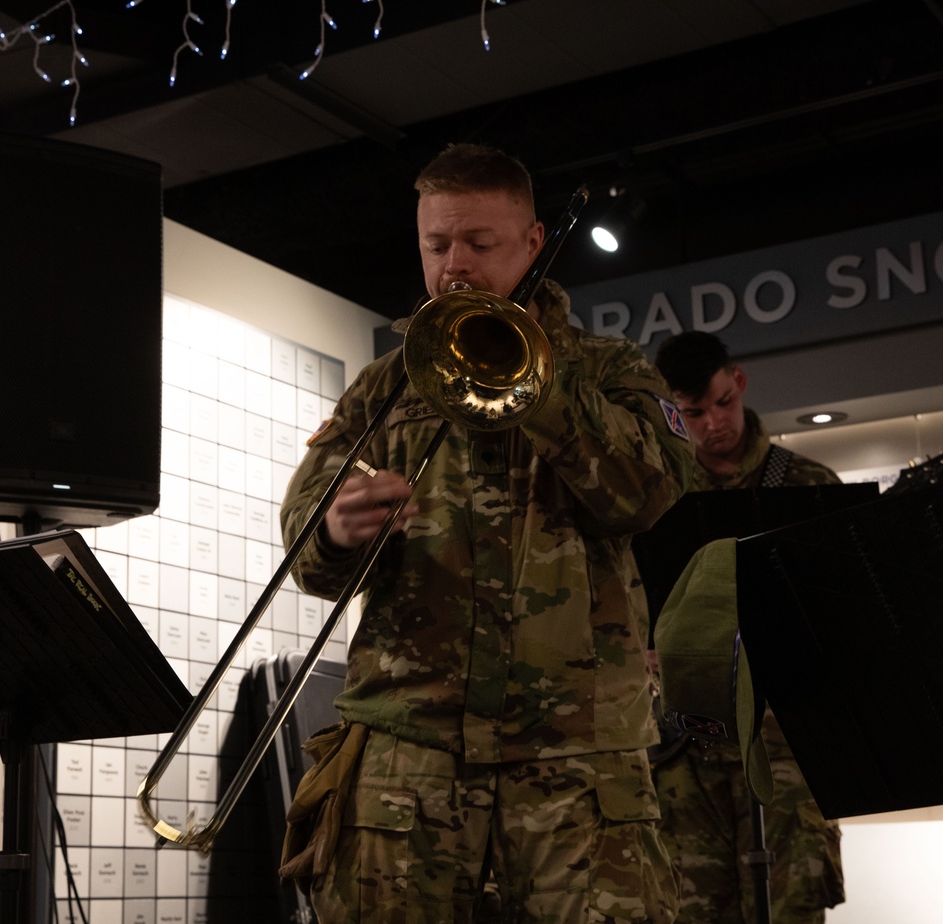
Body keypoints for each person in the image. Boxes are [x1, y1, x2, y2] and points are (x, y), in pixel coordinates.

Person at [278, 142, 695, 924]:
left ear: (534, 243)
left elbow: (650, 493)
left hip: (577, 750)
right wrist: (334, 530)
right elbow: (306, 548)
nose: (455, 266)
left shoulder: (609, 370)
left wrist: (536, 383)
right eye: (438, 245)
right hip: (409, 743)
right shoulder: (383, 387)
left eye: (480, 243)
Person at [650, 330, 846, 923]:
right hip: (684, 746)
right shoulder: (652, 498)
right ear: (669, 410)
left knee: (792, 905)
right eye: (693, 412)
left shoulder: (810, 486)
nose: (713, 423)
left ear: (739, 382)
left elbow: (847, 619)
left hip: (789, 746)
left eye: (722, 404)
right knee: (691, 907)